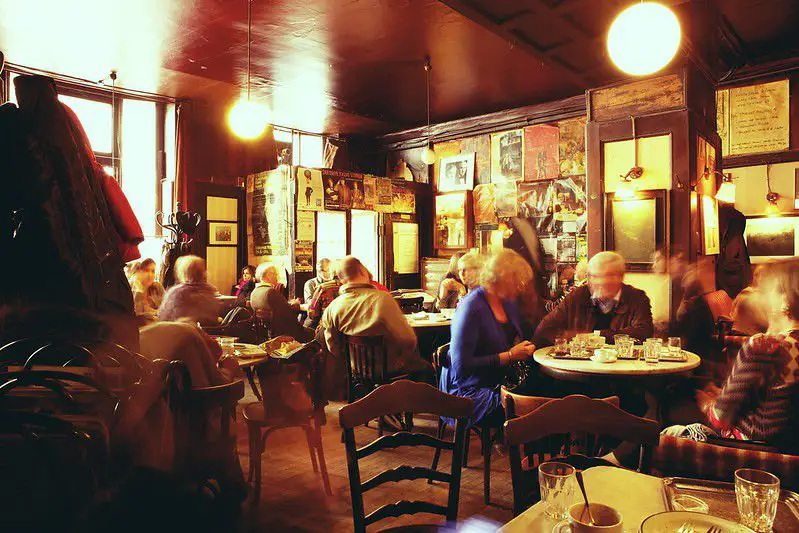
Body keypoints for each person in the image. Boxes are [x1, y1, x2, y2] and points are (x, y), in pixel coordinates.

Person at [666, 259, 799, 451]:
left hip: (750, 452)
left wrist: (706, 401)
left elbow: (719, 419)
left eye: (768, 291)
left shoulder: (765, 346)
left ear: (785, 300)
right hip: (790, 454)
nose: (762, 296)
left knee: (667, 424)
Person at [439, 249, 536, 427]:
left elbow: (528, 332)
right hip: (468, 390)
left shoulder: (508, 302)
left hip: (499, 381)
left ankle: (536, 449)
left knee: (546, 393)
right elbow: (462, 368)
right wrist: (509, 355)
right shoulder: (471, 307)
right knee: (531, 407)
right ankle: (519, 447)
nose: (520, 285)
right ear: (500, 278)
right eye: (516, 280)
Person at [319, 256, 431, 380]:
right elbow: (408, 340)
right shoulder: (383, 299)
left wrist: (353, 361)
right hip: (391, 370)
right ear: (362, 271)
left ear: (341, 279)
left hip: (355, 372)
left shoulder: (333, 307)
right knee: (427, 368)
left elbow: (333, 347)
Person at [535, 251, 653, 344]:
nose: (599, 282)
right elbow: (545, 330)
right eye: (594, 276)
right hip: (580, 369)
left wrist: (595, 336)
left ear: (620, 277)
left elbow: (643, 333)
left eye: (606, 276)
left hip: (621, 370)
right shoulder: (578, 296)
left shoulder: (637, 298)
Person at [250, 262, 313, 342]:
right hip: (286, 334)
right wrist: (297, 304)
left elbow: (281, 309)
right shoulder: (271, 292)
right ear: (268, 275)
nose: (277, 276)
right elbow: (289, 314)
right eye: (275, 274)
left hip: (269, 333)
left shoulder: (255, 292)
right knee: (316, 333)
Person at [158, 256, 220, 326]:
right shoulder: (211, 292)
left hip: (178, 334)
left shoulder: (175, 293)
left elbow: (163, 318)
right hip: (207, 335)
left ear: (183, 273)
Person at [130, 258, 165, 323]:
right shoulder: (130, 289)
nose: (150, 275)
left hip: (158, 325)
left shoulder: (157, 287)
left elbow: (167, 309)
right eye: (146, 270)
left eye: (153, 271)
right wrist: (139, 290)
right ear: (138, 272)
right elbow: (136, 315)